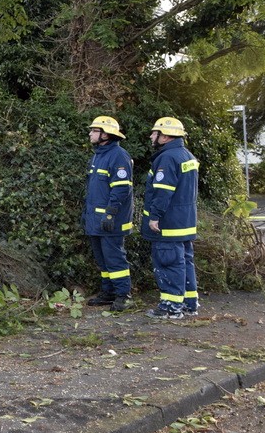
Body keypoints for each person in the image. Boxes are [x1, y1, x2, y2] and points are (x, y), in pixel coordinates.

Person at [141, 116, 200, 320]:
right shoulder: (187, 155)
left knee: (168, 262)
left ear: (165, 137)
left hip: (168, 223)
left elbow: (163, 192)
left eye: (154, 132)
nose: (151, 136)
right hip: (185, 221)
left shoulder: (167, 158)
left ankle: (171, 307)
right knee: (185, 261)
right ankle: (189, 304)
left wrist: (154, 217)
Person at [83, 116, 135, 312]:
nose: (90, 133)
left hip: (111, 219)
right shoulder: (98, 155)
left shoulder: (118, 156)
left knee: (114, 258)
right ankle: (109, 293)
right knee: (102, 258)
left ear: (105, 134)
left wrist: (111, 213)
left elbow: (121, 189)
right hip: (96, 219)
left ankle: (124, 295)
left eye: (94, 131)